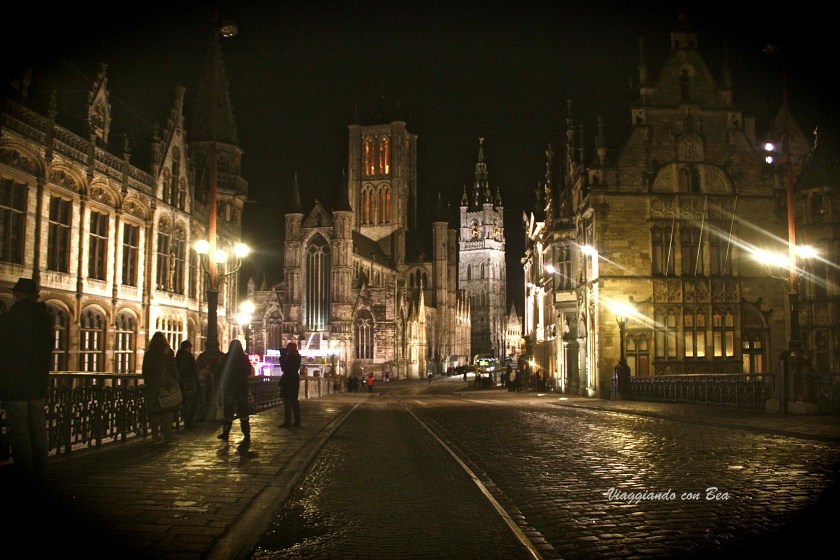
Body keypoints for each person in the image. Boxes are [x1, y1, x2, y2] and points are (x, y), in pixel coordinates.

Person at [0, 278, 53, 484]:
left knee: (20, 429)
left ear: (17, 296)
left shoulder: (9, 319)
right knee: (38, 427)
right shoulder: (45, 319)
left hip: (15, 383)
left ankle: (25, 470)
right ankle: (41, 469)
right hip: (38, 383)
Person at [142, 332, 180, 443]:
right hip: (166, 384)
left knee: (154, 411)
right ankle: (167, 434)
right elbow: (173, 368)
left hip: (153, 385)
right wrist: (176, 380)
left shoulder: (149, 353)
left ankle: (155, 434)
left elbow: (145, 370)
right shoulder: (168, 352)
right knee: (168, 409)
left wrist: (149, 382)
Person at [218, 339, 254, 451]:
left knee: (228, 411)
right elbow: (249, 371)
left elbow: (221, 371)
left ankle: (225, 433)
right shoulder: (244, 357)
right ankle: (247, 435)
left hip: (230, 386)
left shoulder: (226, 357)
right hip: (242, 387)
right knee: (243, 411)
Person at [176, 340, 199, 429]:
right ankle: (189, 421)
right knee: (190, 402)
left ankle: (185, 421)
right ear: (187, 348)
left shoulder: (178, 355)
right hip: (189, 383)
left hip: (181, 382)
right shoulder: (188, 356)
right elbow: (191, 369)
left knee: (185, 403)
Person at [279, 341, 301, 428]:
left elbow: (285, 368)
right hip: (294, 380)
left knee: (288, 401)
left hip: (289, 381)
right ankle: (297, 421)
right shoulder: (296, 356)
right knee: (294, 401)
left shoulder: (292, 357)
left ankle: (288, 421)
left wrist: (283, 357)